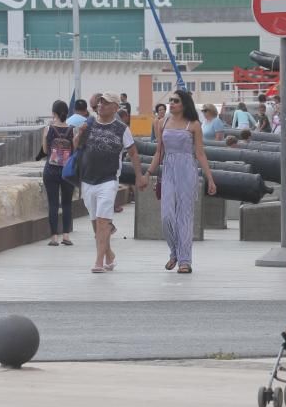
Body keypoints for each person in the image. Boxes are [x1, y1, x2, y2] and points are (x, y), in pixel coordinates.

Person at [74, 92, 148, 273]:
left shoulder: (121, 129)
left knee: (102, 221)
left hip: (108, 179)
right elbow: (76, 145)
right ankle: (109, 254)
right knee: (95, 223)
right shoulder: (90, 123)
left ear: (115, 107)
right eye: (100, 102)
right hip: (88, 179)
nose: (101, 105)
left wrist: (139, 176)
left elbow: (133, 153)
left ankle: (99, 261)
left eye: (106, 103)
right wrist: (80, 133)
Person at [146, 89, 217, 274]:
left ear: (184, 104)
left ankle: (185, 260)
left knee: (184, 217)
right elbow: (159, 152)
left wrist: (210, 178)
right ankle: (174, 252)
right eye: (170, 100)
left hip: (187, 170)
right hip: (168, 169)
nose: (171, 103)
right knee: (167, 216)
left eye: (175, 100)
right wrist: (147, 173)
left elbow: (200, 153)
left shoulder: (193, 125)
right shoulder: (162, 123)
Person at [41, 100, 75, 247]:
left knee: (53, 204)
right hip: (67, 171)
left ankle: (54, 238)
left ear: (54, 113)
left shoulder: (48, 129)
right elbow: (75, 150)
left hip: (51, 170)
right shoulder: (73, 130)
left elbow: (44, 150)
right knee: (67, 204)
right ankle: (66, 236)